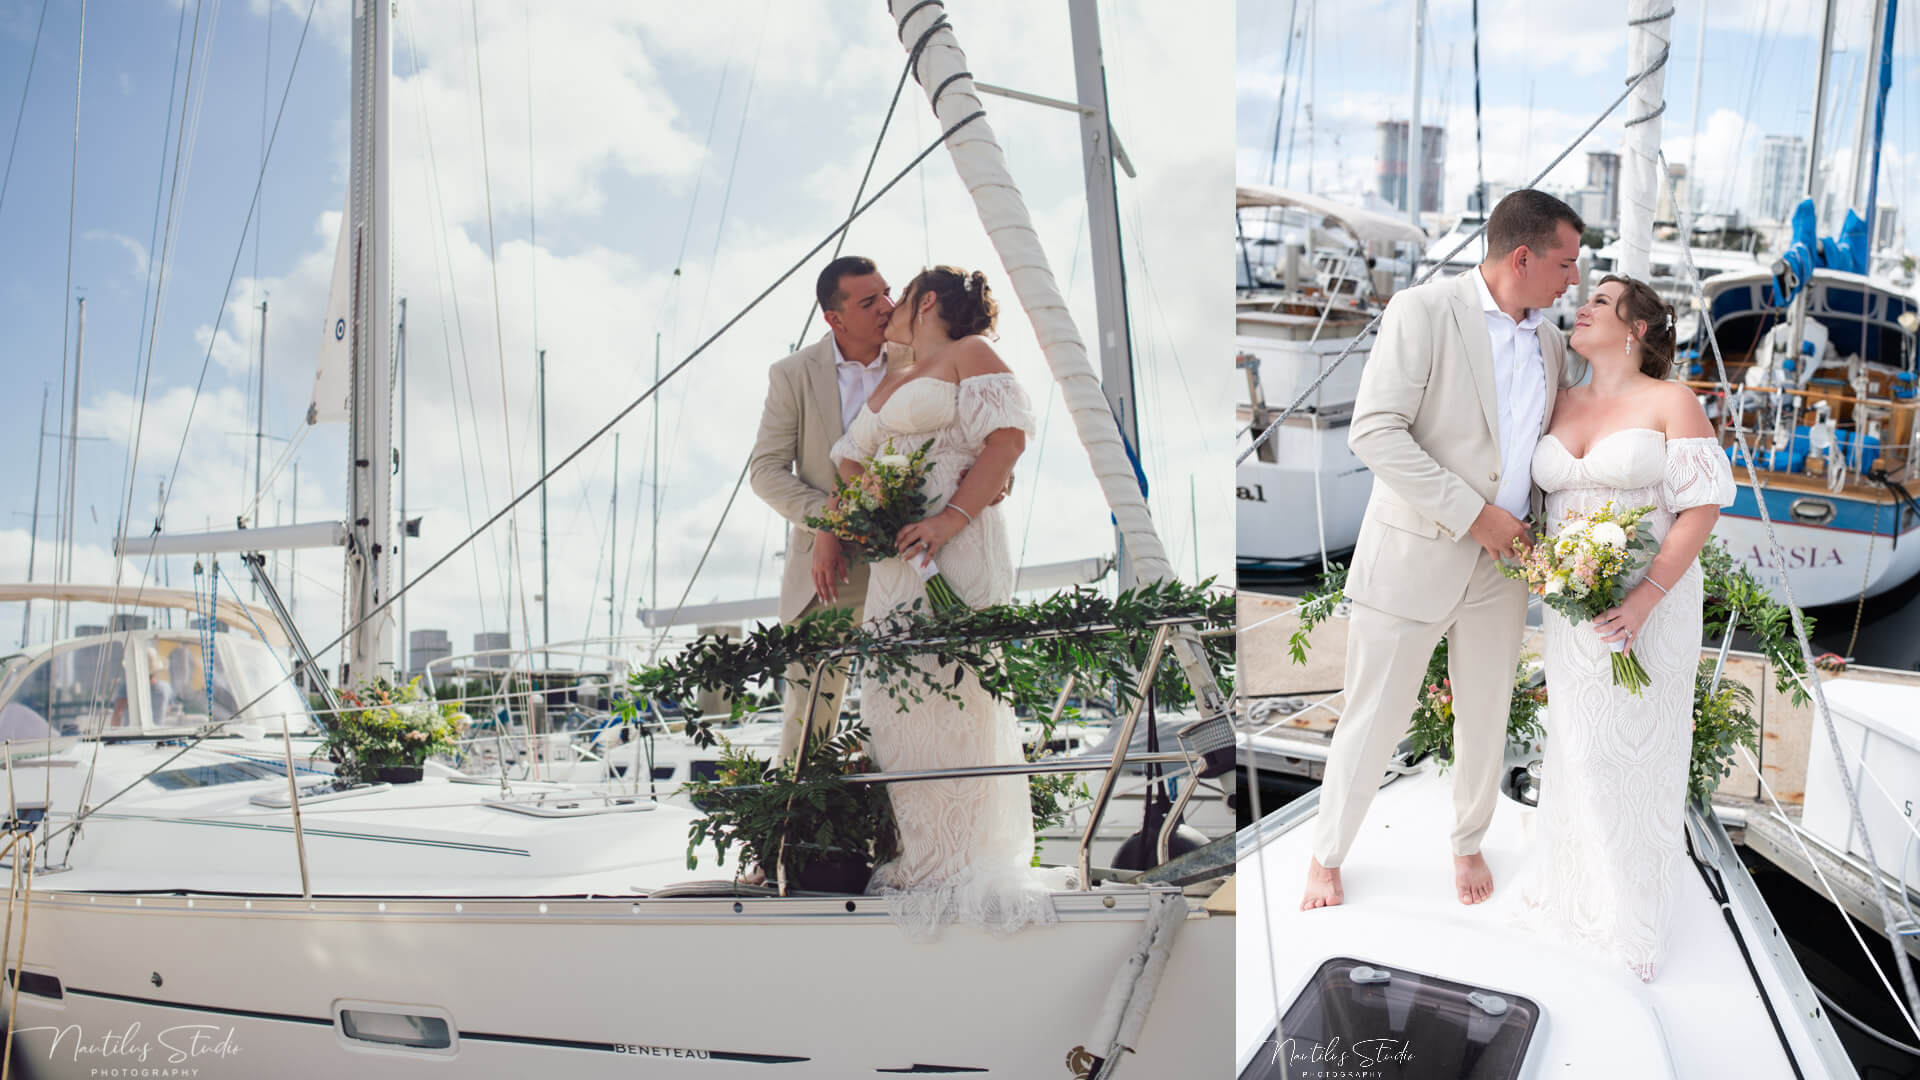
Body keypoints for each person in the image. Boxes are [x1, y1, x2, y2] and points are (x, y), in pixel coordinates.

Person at [1302, 190, 1585, 911]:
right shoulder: (1423, 312)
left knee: (1487, 716)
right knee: (1375, 714)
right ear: (1523, 256)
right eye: (1566, 261)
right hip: (1416, 554)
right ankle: (1327, 855)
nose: (1573, 278)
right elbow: (1375, 432)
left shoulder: (1550, 341)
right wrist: (1475, 516)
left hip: (1508, 566)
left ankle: (1467, 842)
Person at [828, 265, 1066, 935]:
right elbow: (848, 456)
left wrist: (948, 518)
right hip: (898, 563)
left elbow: (1007, 441)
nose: (891, 310)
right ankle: (926, 858)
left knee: (955, 700)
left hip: (953, 549)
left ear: (926, 300)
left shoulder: (971, 355)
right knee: (895, 704)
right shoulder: (892, 381)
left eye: (899, 297)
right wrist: (876, 506)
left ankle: (962, 864)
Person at [1517, 274, 1735, 981]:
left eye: (1602, 302)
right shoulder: (1556, 399)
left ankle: (1632, 917)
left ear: (1637, 328)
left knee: (1636, 754)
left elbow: (1700, 507)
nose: (1583, 307)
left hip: (1655, 602)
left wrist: (1645, 597)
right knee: (1578, 744)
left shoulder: (1673, 401)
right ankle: (1571, 894)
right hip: (1572, 606)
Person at [749, 255, 893, 765]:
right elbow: (765, 471)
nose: (887, 308)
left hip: (912, 557)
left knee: (915, 706)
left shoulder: (918, 358)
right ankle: (796, 836)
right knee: (808, 723)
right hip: (828, 570)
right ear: (834, 318)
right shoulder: (792, 374)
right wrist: (831, 521)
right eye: (870, 301)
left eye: (887, 294)